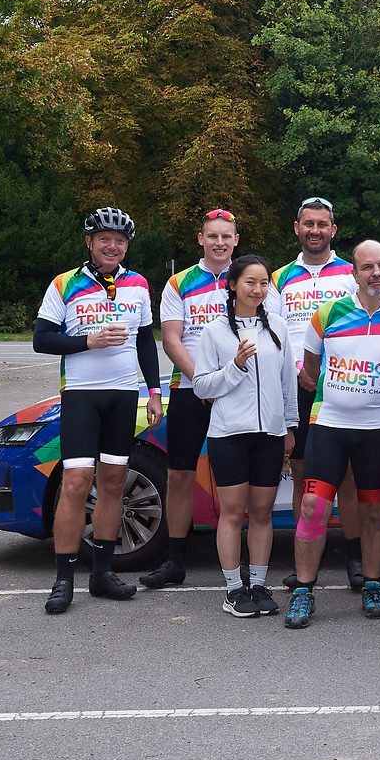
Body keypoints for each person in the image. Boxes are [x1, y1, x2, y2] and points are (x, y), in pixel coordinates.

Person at [32, 207, 164, 615]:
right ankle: (63, 578)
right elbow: (42, 340)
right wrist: (88, 342)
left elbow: (145, 341)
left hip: (123, 395)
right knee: (75, 483)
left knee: (113, 483)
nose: (112, 246)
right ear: (89, 242)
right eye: (104, 239)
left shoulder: (138, 284)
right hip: (81, 394)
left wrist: (154, 391)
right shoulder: (64, 283)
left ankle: (103, 574)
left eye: (120, 241)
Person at [286, 240, 380, 629]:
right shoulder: (329, 313)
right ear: (354, 273)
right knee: (313, 507)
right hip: (329, 426)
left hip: (377, 429)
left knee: (374, 510)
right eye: (368, 267)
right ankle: (303, 590)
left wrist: (379, 391)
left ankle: (372, 584)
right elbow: (309, 369)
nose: (377, 273)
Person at [190, 255, 298, 617]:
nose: (257, 289)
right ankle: (234, 589)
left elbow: (287, 382)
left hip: (270, 433)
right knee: (233, 513)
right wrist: (235, 365)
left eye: (264, 283)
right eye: (250, 282)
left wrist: (289, 426)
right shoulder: (215, 330)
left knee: (263, 512)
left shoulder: (277, 327)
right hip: (229, 434)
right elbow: (201, 386)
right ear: (233, 285)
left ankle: (259, 585)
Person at [265, 197, 359, 591]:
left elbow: (362, 328)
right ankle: (303, 561)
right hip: (297, 387)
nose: (315, 230)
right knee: (304, 475)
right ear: (297, 228)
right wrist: (298, 374)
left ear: (333, 230)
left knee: (348, 476)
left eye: (322, 224)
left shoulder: (351, 273)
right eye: (309, 224)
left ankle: (355, 559)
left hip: (342, 384)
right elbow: (272, 332)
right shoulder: (278, 278)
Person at [140, 209, 237, 590]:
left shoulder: (249, 276)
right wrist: (204, 381)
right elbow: (171, 339)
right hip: (190, 389)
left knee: (236, 476)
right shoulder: (179, 282)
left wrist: (224, 382)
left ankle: (239, 560)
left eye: (226, 236)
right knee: (180, 475)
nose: (219, 242)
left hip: (238, 390)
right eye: (212, 235)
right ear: (200, 239)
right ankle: (174, 560)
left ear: (236, 240)